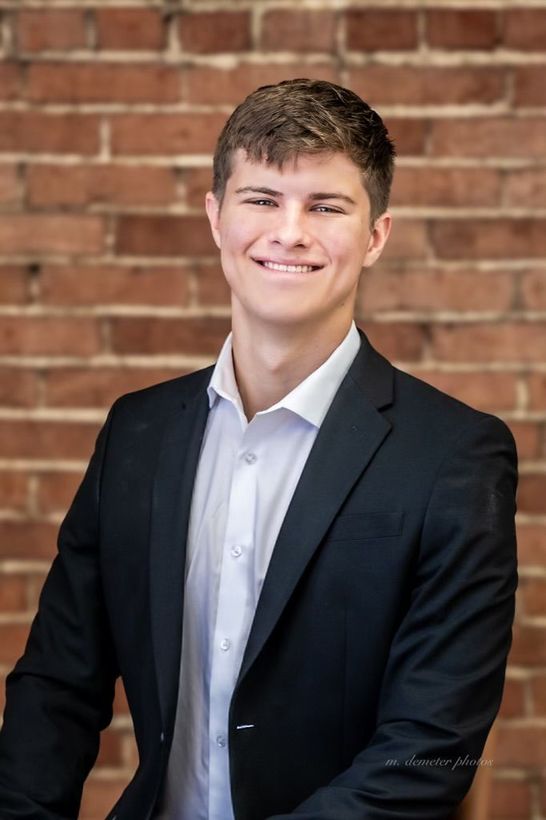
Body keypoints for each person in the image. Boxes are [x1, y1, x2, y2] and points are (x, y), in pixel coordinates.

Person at [0, 79, 517, 820]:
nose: (290, 232)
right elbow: (57, 686)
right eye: (262, 199)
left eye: (326, 206)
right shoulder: (137, 436)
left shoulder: (455, 456)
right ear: (215, 217)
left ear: (376, 235)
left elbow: (431, 749)